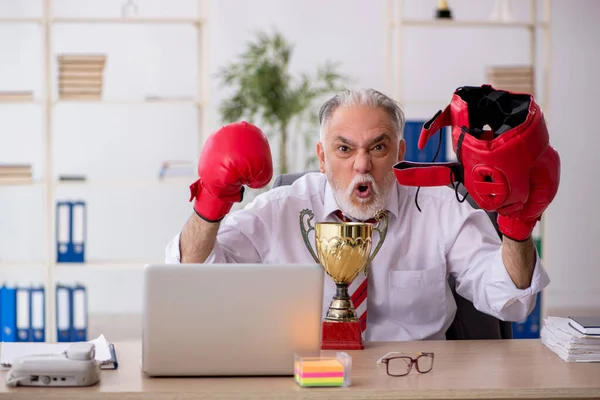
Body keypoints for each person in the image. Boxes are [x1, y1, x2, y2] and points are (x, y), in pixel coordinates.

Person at [165, 88, 550, 342]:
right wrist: (211, 202)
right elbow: (189, 279)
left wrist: (517, 227)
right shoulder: (283, 208)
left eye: (378, 148)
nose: (362, 165)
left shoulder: (440, 207)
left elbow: (511, 302)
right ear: (321, 157)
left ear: (399, 152)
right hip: (306, 382)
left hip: (415, 381)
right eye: (344, 149)